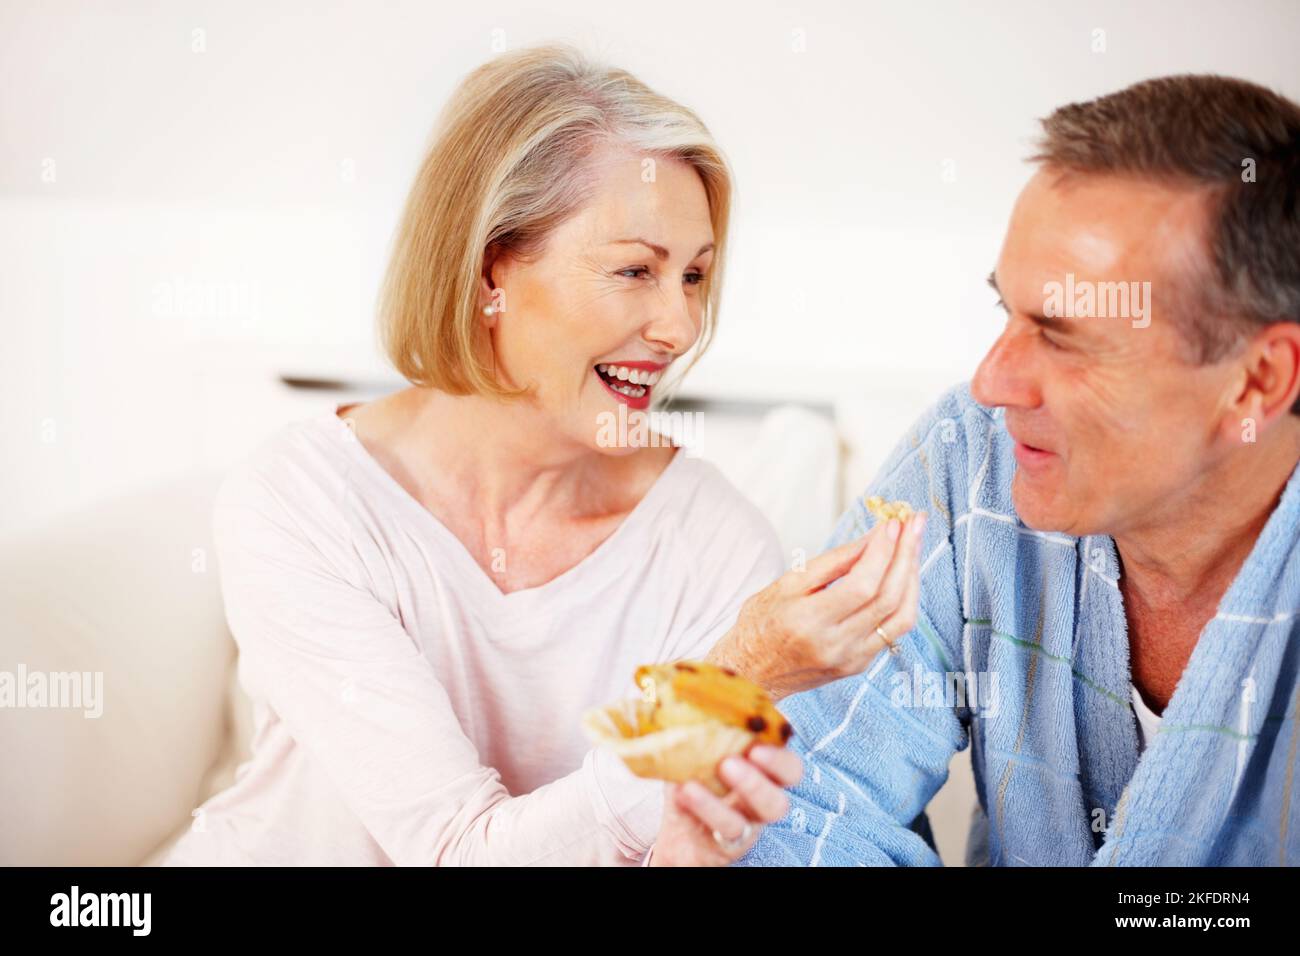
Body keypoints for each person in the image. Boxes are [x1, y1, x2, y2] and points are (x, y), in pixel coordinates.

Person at [161, 44, 920, 867]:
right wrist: (734, 677)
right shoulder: (300, 503)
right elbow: (460, 852)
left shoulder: (713, 544)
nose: (679, 327)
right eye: (636, 270)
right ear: (492, 269)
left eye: (695, 278)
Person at [720, 74, 1300, 866]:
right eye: (1009, 313)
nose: (993, 382)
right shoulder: (973, 459)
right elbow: (794, 797)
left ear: (1258, 381)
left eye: (1063, 337)